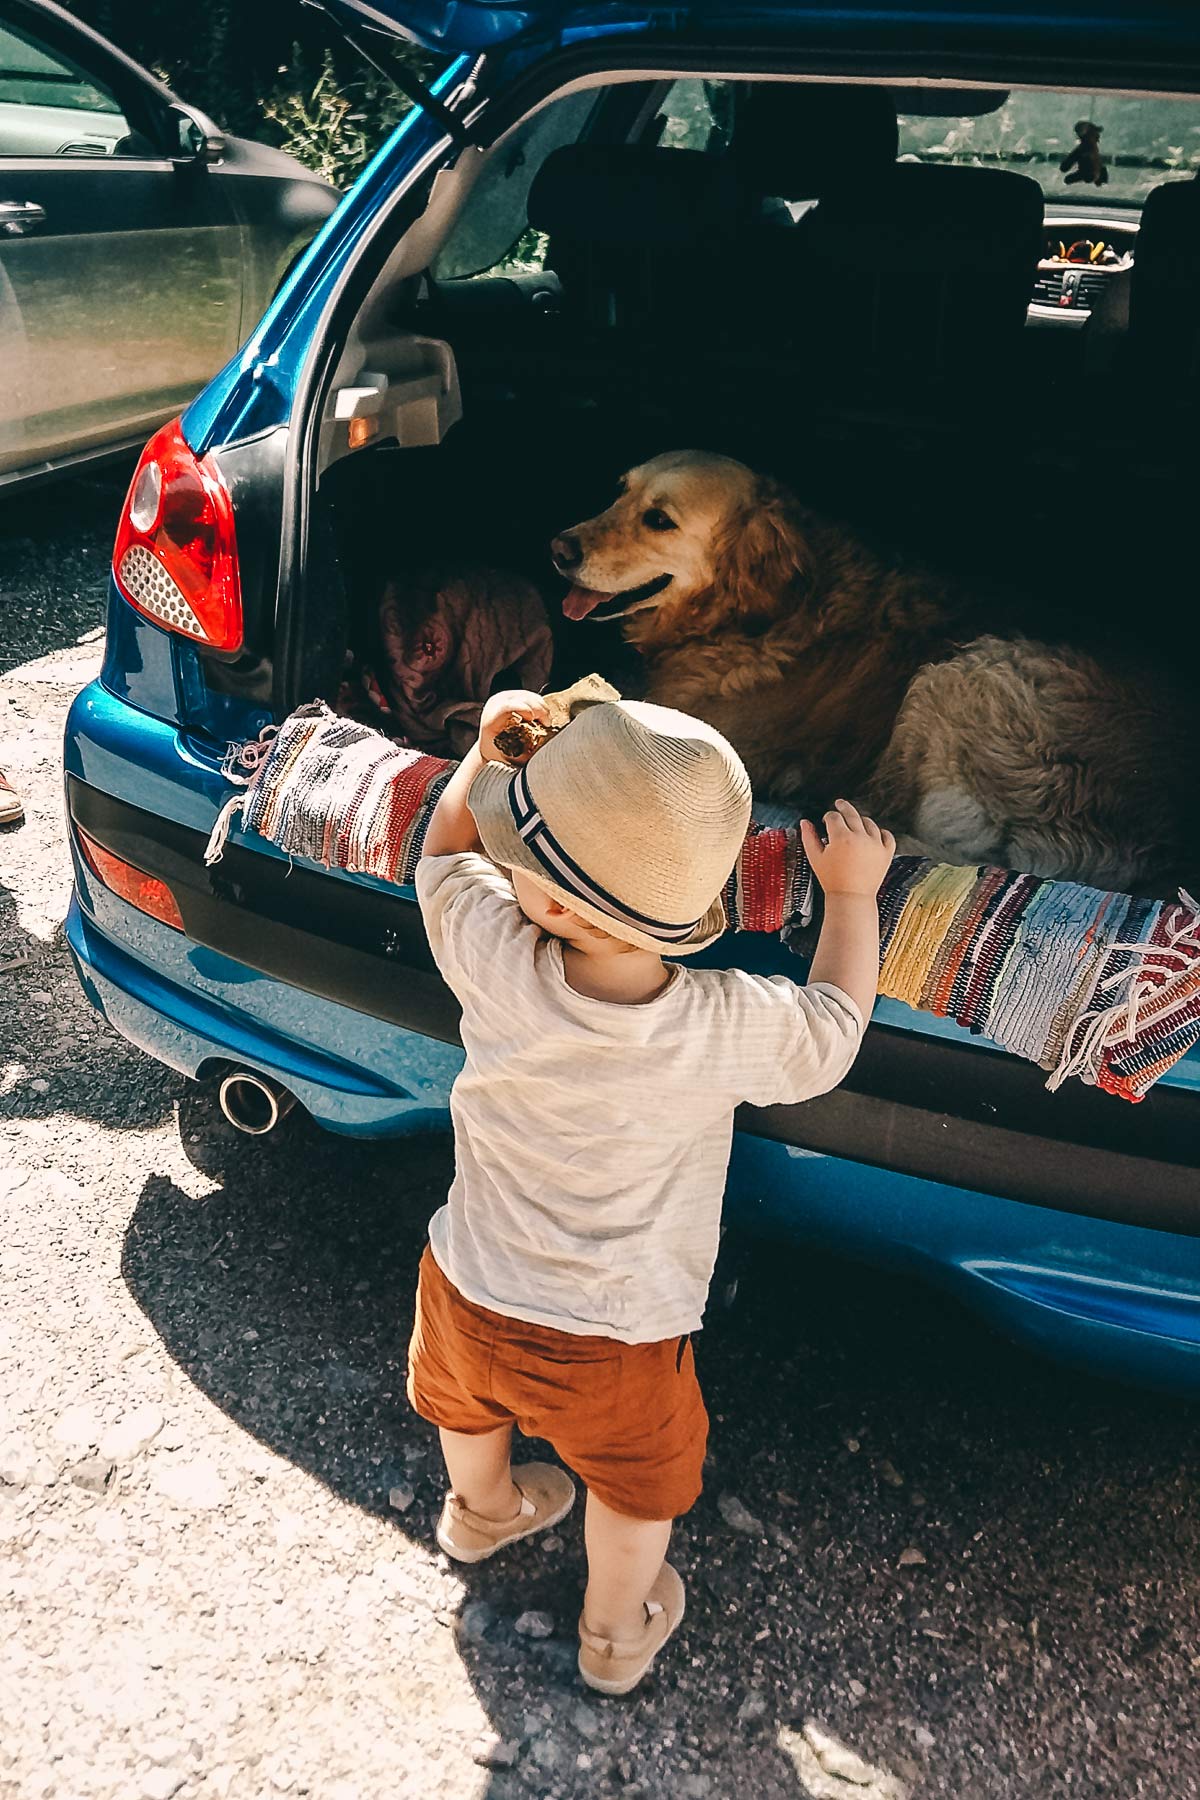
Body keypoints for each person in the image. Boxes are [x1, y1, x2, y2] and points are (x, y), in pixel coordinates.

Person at [408, 688, 894, 1695]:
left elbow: (441, 855)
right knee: (633, 1488)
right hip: (616, 1338)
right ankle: (614, 1629)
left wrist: (488, 744)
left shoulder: (492, 949)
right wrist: (851, 897)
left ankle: (482, 1512)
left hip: (465, 1282)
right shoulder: (722, 1020)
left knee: (466, 1407)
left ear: (534, 892)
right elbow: (836, 1028)